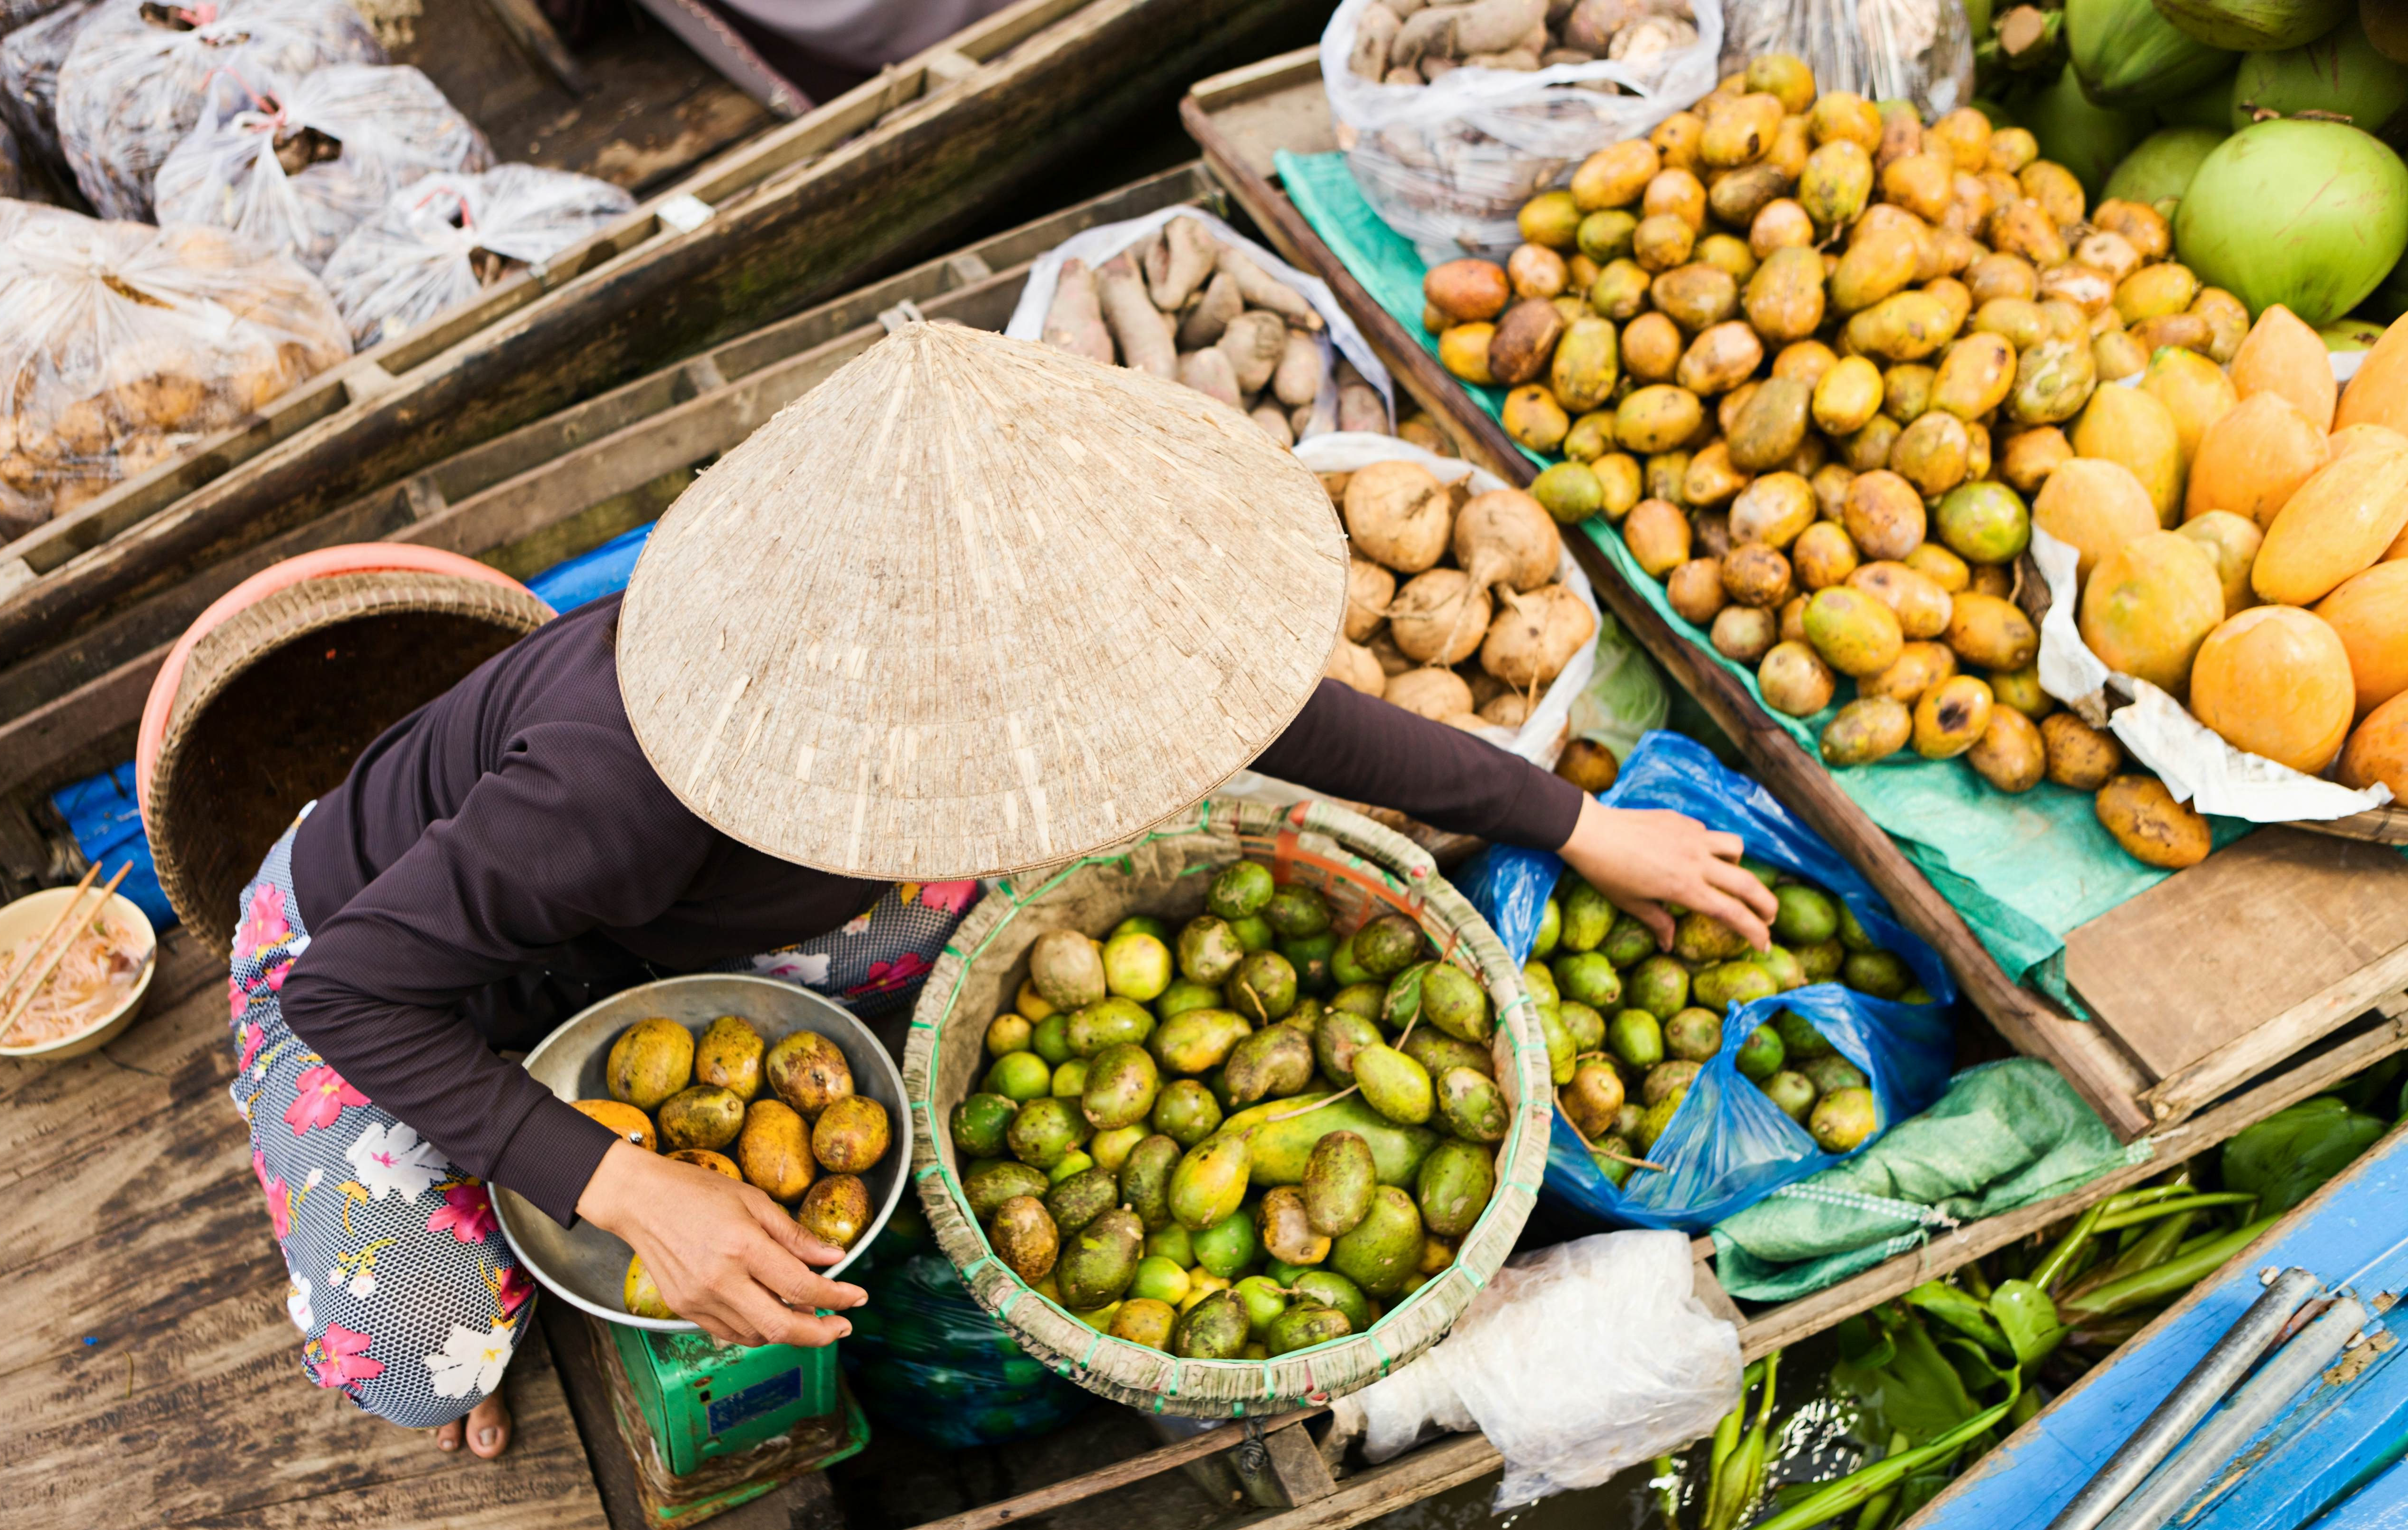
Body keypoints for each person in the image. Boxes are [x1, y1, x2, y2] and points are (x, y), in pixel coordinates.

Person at [226, 323, 1775, 1461]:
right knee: (428, 1350)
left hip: (679, 948)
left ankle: (566, 1168)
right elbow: (347, 989)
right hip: (380, 967)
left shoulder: (1018, 663)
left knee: (983, 955)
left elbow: (1268, 717)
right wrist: (626, 1188)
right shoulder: (623, 770)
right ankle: (454, 1224)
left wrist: (1570, 820)